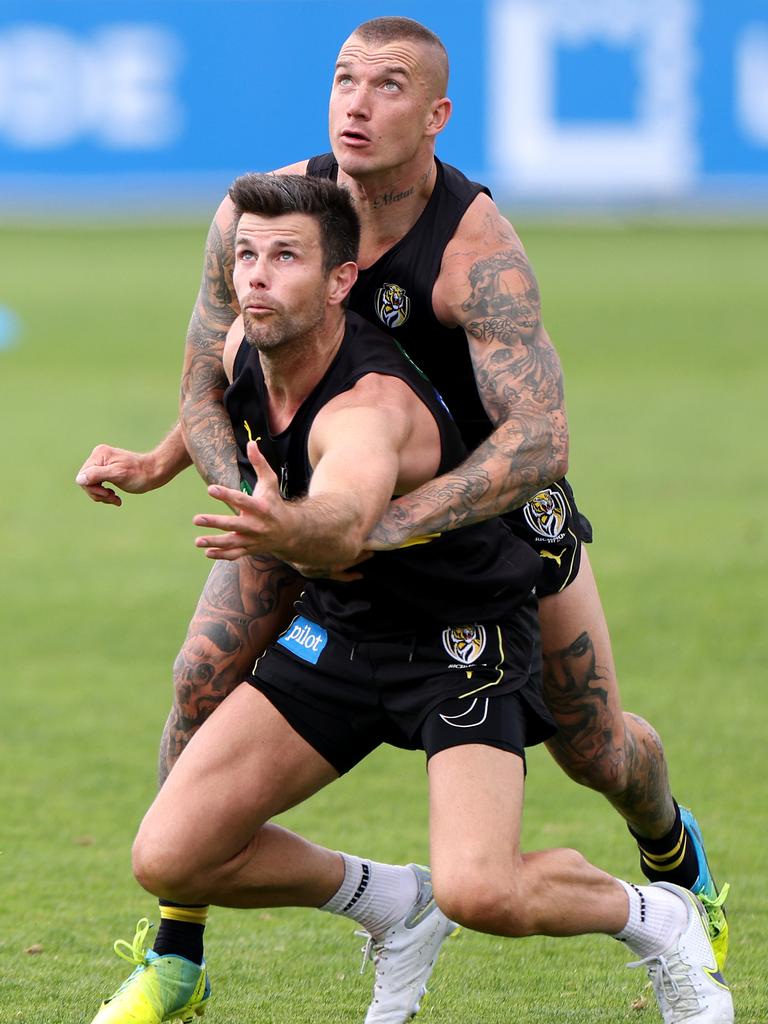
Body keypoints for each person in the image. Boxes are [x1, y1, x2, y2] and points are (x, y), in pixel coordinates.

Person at [76, 12, 727, 983]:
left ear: (436, 116)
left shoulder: (474, 246)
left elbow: (541, 439)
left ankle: (672, 851)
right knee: (198, 678)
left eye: (387, 86)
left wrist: (381, 529)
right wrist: (253, 501)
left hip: (492, 528)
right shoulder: (272, 213)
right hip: (323, 506)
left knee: (595, 749)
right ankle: (178, 950)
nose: (357, 103)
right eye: (345, 79)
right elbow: (208, 384)